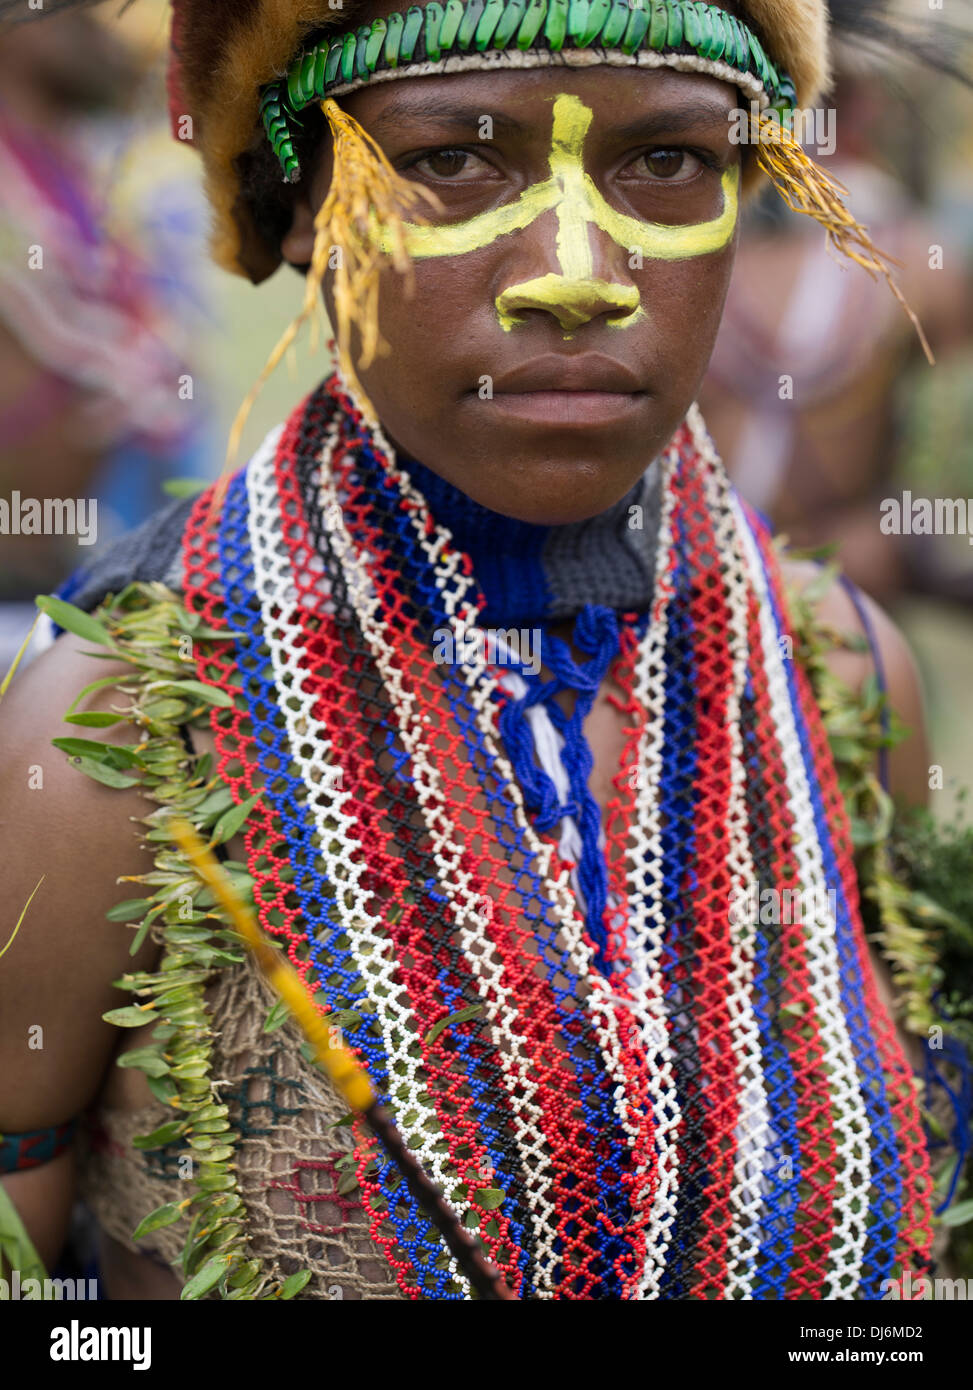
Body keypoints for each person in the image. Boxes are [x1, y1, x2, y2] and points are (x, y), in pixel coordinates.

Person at [0, 0, 962, 1301]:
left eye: (666, 162)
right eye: (451, 160)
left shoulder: (842, 680)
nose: (573, 270)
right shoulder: (110, 739)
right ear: (301, 207)